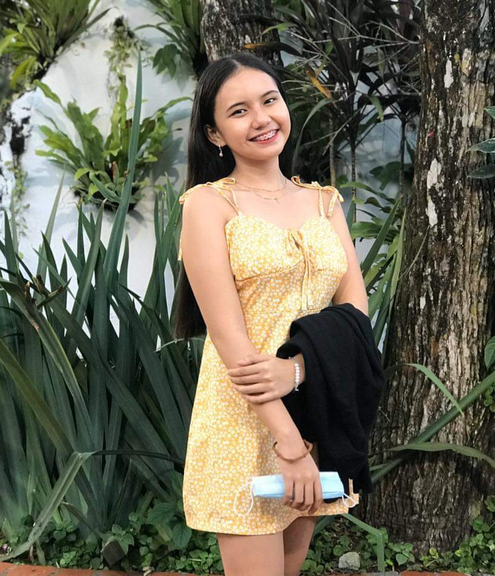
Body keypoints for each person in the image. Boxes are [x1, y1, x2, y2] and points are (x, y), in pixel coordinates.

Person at [173, 52, 369, 576]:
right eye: (238, 111)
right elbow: (231, 341)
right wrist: (288, 445)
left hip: (312, 408)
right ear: (214, 133)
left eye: (269, 101)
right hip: (245, 419)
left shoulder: (325, 203)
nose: (261, 119)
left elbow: (355, 311)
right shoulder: (209, 205)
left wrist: (297, 371)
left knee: (289, 566)